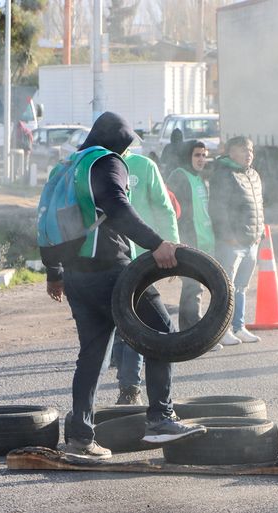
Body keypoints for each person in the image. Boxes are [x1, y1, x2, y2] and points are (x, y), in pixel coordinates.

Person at [42, 112, 206, 461]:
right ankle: (161, 418)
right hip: (113, 272)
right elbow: (118, 206)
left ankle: (80, 438)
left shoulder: (70, 165)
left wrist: (53, 271)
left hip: (77, 276)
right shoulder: (107, 162)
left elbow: (49, 220)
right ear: (120, 140)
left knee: (92, 355)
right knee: (162, 330)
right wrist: (157, 243)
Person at [110, 150, 180, 405]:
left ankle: (129, 386)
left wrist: (173, 245)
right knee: (125, 322)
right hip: (114, 257)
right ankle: (128, 386)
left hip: (143, 256)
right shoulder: (100, 164)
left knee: (136, 322)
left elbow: (163, 206)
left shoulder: (144, 165)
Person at [209, 137, 264, 345]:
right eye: (243, 150)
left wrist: (260, 232)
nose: (248, 154)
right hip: (232, 242)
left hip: (251, 240)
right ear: (231, 152)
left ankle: (238, 326)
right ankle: (222, 331)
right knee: (226, 286)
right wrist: (227, 235)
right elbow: (218, 208)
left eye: (250, 150)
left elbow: (259, 204)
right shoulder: (224, 174)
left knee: (241, 286)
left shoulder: (253, 174)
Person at [167, 140, 222, 351]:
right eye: (197, 155)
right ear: (187, 156)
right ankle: (195, 337)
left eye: (204, 155)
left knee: (197, 288)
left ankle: (190, 335)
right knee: (193, 288)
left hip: (205, 240)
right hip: (190, 241)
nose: (202, 159)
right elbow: (171, 209)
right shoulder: (179, 176)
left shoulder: (200, 178)